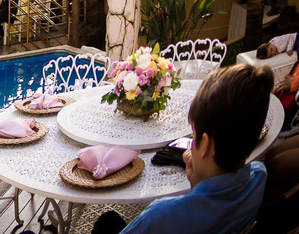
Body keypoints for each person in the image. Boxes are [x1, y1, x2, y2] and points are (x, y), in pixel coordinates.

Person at [92, 64, 273, 234]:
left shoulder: (160, 215)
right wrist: (196, 183)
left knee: (107, 221)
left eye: (194, 136)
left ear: (206, 145)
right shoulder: (259, 178)